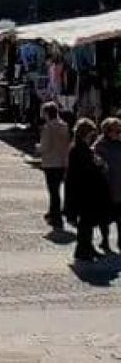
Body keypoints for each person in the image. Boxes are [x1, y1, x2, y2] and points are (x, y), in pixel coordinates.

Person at [65, 118, 111, 261]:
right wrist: (99, 165)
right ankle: (83, 250)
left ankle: (88, 247)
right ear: (86, 134)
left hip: (84, 191)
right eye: (91, 134)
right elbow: (86, 170)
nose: (93, 137)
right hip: (84, 192)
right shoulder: (79, 149)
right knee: (85, 223)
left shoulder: (81, 148)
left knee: (87, 223)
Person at [38, 101, 71, 230]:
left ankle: (55, 215)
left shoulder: (48, 128)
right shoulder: (64, 126)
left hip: (51, 162)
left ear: (47, 113)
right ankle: (52, 212)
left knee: (53, 191)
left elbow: (45, 146)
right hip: (62, 162)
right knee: (57, 189)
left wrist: (38, 148)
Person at [93, 117, 121, 254]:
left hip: (119, 187)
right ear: (108, 131)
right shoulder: (100, 145)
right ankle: (105, 241)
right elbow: (97, 165)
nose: (119, 133)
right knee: (105, 218)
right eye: (116, 130)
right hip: (106, 188)